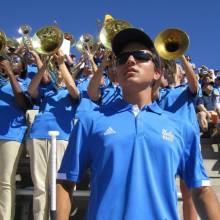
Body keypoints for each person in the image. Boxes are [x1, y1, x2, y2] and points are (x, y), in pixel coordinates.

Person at [57, 28, 220, 220]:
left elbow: (201, 190)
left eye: (141, 55)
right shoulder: (90, 121)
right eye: (123, 58)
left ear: (157, 73)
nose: (131, 61)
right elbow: (65, 182)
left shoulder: (182, 128)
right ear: (116, 73)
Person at [26, 50, 79, 220]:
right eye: (56, 71)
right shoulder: (46, 91)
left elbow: (73, 89)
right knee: (40, 186)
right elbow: (30, 89)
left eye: (62, 72)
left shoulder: (72, 93)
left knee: (58, 188)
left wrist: (62, 63)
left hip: (62, 138)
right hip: (38, 136)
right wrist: (44, 64)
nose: (59, 74)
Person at [0, 55, 32, 220]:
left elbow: (23, 103)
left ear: (22, 68)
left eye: (15, 61)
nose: (11, 62)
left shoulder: (25, 82)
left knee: (5, 180)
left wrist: (10, 74)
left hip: (11, 134)